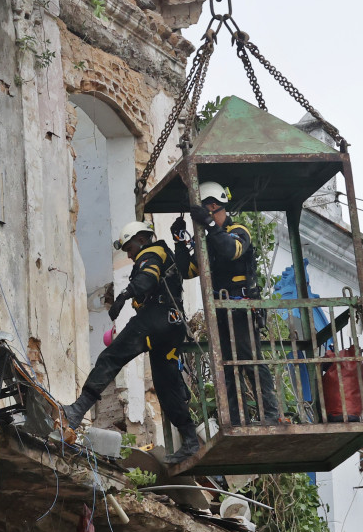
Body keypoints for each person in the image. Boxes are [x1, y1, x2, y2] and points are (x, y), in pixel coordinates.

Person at [61, 221, 200, 464]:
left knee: (111, 358)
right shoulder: (166, 253)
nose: (129, 253)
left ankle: (77, 410)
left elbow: (148, 278)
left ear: (142, 239)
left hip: (154, 320)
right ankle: (190, 439)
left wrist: (125, 295)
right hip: (173, 325)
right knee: (166, 385)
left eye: (130, 247)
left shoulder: (151, 252)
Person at [176, 181, 281, 426]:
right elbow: (188, 270)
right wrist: (179, 243)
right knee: (226, 364)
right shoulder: (209, 240)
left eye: (203, 212)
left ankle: (271, 414)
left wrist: (210, 224)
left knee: (249, 359)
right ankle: (234, 418)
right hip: (221, 311)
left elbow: (231, 251)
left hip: (242, 308)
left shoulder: (239, 230)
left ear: (213, 206)